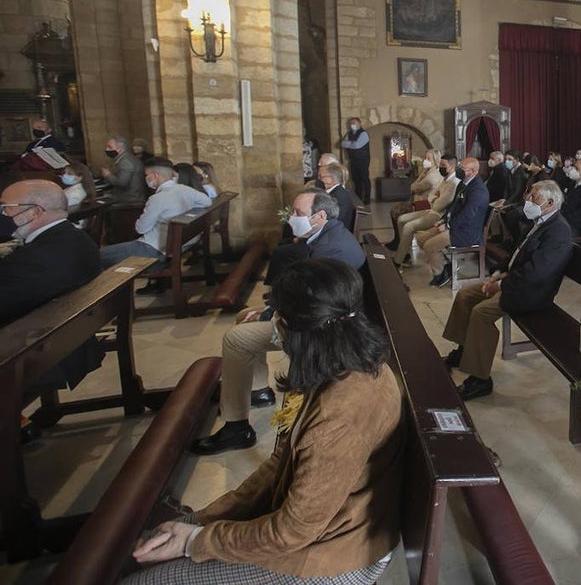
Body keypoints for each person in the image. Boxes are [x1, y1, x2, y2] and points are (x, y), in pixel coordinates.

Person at [129, 259, 403, 585]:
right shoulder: (349, 363)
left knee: (144, 582)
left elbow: (292, 531)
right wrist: (201, 520)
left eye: (277, 318)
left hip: (335, 556)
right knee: (159, 545)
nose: (273, 325)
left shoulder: (338, 419)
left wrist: (196, 541)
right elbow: (281, 463)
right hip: (328, 530)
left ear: (295, 331)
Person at [191, 190, 364, 455]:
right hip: (321, 316)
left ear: (319, 216)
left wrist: (270, 315)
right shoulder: (329, 235)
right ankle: (258, 390)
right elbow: (309, 294)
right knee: (243, 316)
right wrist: (271, 309)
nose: (292, 217)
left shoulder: (329, 249)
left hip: (322, 332)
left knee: (236, 339)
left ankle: (236, 428)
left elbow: (313, 305)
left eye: (298, 213)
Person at [442, 181, 573, 400]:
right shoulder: (540, 221)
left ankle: (480, 379)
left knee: (481, 313)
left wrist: (501, 285)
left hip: (532, 293)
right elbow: (516, 254)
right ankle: (464, 350)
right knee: (465, 296)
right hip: (515, 281)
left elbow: (536, 274)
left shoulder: (558, 232)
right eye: (529, 194)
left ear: (550, 203)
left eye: (534, 196)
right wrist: (497, 274)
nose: (528, 199)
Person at [0, 180, 101, 325]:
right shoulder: (79, 238)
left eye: (5, 208)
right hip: (71, 326)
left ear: (34, 212)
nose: (3, 214)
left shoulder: (30, 261)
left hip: (29, 334)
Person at [98, 160, 211, 270]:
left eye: (147, 175)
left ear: (155, 175)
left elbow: (141, 229)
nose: (146, 178)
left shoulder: (157, 198)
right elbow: (207, 202)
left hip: (153, 249)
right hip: (177, 247)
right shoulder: (186, 189)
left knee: (97, 256)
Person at [422, 157, 489, 288]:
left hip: (467, 232)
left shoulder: (478, 190)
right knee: (422, 238)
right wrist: (443, 220)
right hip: (457, 226)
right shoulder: (463, 183)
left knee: (429, 245)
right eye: (459, 167)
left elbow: (467, 216)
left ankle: (441, 274)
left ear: (473, 171)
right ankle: (445, 263)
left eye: (462, 169)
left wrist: (448, 226)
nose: (458, 170)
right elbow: (453, 207)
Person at [393, 155, 460, 265]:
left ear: (452, 166)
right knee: (401, 219)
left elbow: (438, 206)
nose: (441, 167)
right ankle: (406, 253)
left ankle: (399, 260)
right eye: (440, 164)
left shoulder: (454, 183)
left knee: (409, 226)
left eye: (443, 165)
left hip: (439, 216)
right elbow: (431, 195)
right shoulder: (445, 179)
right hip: (431, 210)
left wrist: (435, 199)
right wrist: (435, 198)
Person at [101, 135, 147, 204]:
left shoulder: (125, 162)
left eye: (110, 147)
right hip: (131, 197)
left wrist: (108, 175)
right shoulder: (126, 158)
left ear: (120, 149)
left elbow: (122, 183)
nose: (106, 149)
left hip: (130, 200)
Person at [317, 162, 358, 232]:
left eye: (322, 177)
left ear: (331, 179)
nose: (319, 179)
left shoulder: (339, 197)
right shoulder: (333, 192)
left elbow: (332, 221)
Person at [339, 117, 371, 204]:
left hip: (363, 160)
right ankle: (358, 198)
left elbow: (357, 145)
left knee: (364, 178)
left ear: (359, 124)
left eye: (354, 123)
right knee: (356, 180)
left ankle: (367, 199)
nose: (352, 125)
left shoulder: (363, 134)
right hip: (353, 160)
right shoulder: (349, 133)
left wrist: (349, 144)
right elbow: (342, 143)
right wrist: (352, 144)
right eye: (351, 123)